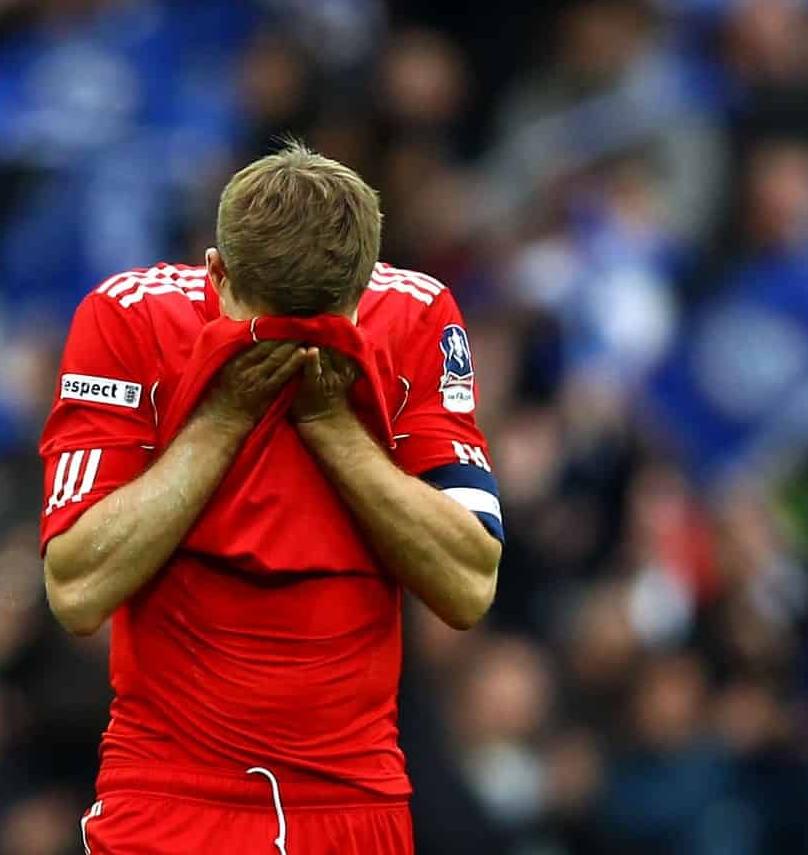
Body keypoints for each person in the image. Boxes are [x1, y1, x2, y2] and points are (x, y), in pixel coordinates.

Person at [40, 144, 505, 852]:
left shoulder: (415, 315)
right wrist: (221, 422)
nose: (293, 348)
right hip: (171, 795)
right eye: (271, 327)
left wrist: (328, 425)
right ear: (216, 274)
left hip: (354, 801)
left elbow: (469, 584)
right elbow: (76, 587)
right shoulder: (129, 319)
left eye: (317, 330)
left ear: (360, 293)